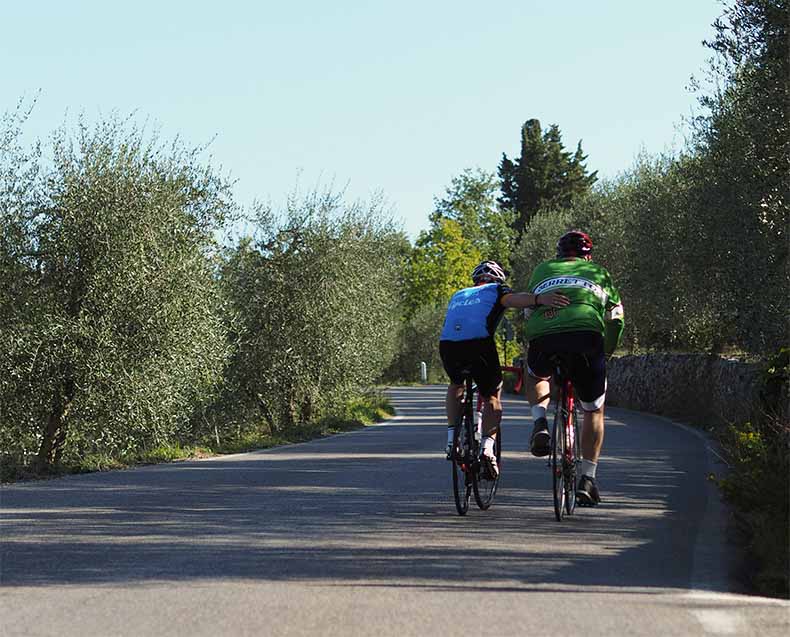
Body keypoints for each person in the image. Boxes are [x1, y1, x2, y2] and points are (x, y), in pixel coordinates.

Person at [440, 260, 569, 478]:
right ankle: (488, 449)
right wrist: (538, 299)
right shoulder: (496, 288)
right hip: (478, 343)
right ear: (498, 279)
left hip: (448, 345)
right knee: (492, 395)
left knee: (456, 384)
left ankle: (452, 439)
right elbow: (513, 300)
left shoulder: (459, 293)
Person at [523, 230, 624, 506]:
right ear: (587, 256)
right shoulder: (599, 272)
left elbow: (529, 312)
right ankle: (588, 479)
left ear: (559, 255)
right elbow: (616, 317)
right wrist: (607, 350)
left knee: (536, 374)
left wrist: (532, 338)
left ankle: (540, 422)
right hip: (585, 339)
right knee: (593, 408)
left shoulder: (543, 269)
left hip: (545, 337)